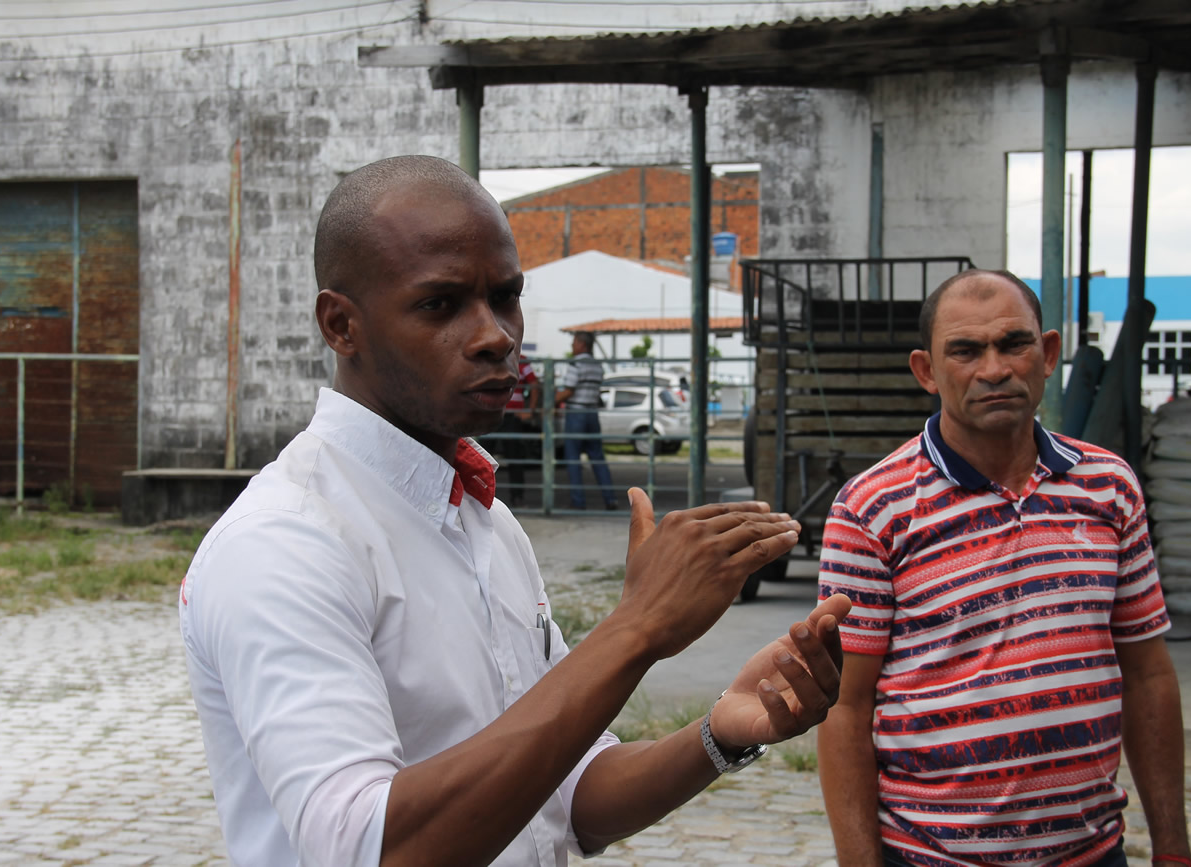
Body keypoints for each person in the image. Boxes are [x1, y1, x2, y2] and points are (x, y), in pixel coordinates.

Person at [179, 155, 853, 867]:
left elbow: (568, 798)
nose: (496, 335)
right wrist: (635, 629)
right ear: (341, 325)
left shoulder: (486, 521)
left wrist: (721, 732)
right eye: (440, 304)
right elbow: (368, 850)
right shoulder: (285, 541)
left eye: (505, 297)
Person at [815, 269, 1190, 865]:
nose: (993, 369)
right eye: (965, 351)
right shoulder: (872, 508)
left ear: (1048, 355)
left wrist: (1173, 849)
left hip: (1092, 852)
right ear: (926, 372)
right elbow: (844, 707)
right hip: (931, 855)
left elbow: (1148, 674)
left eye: (1013, 344)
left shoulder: (1109, 487)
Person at [555, 331, 618, 510]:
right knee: (597, 456)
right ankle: (610, 499)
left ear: (582, 344)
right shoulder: (597, 366)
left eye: (574, 342)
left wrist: (550, 401)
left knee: (573, 457)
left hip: (576, 413)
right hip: (592, 413)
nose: (572, 346)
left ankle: (578, 501)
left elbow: (569, 390)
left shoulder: (576, 363)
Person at [494, 353, 540, 506]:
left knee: (514, 457)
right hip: (491, 413)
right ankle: (475, 497)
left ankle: (517, 496)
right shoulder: (491, 354)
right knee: (482, 457)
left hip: (511, 416)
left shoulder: (521, 359)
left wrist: (530, 410)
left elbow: (534, 384)